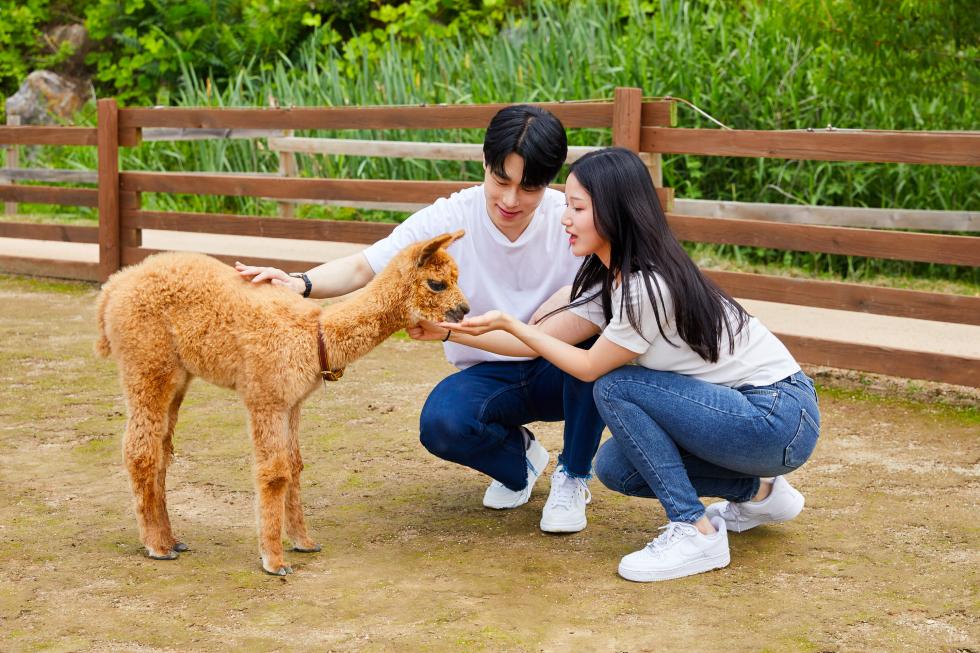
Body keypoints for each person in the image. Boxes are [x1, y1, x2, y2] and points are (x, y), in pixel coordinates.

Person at [417, 147, 821, 582]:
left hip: (777, 416)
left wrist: (512, 323)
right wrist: (447, 331)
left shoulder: (647, 285)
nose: (564, 218)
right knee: (618, 468)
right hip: (748, 418)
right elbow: (537, 343)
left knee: (615, 386)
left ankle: (695, 531)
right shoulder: (608, 282)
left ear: (613, 211)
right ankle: (760, 493)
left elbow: (590, 368)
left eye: (576, 208)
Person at [235, 105, 604, 533]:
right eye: (501, 181)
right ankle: (519, 459)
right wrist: (300, 283)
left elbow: (621, 281)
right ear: (485, 163)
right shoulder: (450, 217)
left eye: (529, 188)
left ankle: (573, 474)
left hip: (557, 365)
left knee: (599, 348)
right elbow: (364, 266)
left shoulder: (570, 219)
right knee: (442, 424)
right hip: (488, 371)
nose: (510, 200)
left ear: (551, 181)